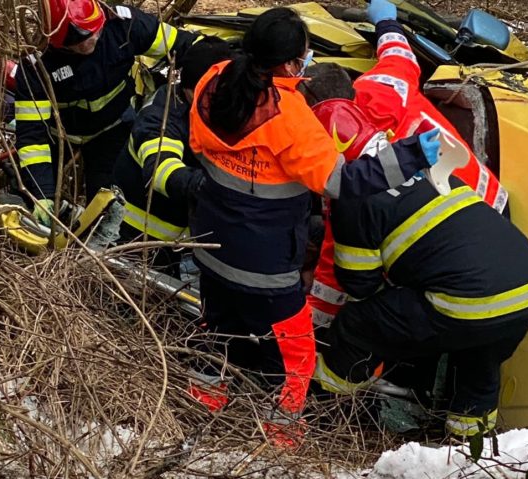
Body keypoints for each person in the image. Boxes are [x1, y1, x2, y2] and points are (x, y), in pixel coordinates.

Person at [188, 7, 441, 445]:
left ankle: (199, 406)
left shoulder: (214, 78)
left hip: (210, 246)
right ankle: (281, 443)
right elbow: (341, 181)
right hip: (264, 266)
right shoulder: (290, 116)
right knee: (295, 357)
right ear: (290, 64)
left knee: (218, 331)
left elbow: (198, 144)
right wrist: (410, 156)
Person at [300, 0, 511, 326]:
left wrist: (315, 320)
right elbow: (400, 56)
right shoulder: (379, 84)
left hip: (456, 226)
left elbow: (338, 251)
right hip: (491, 199)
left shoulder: (354, 156)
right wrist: (387, 22)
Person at [314, 170, 528, 438]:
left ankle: (325, 413)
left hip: (466, 301)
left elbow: (359, 284)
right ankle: (466, 448)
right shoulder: (428, 171)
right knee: (480, 367)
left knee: (356, 326)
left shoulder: (352, 198)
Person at [14, 0, 198, 226]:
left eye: (94, 32)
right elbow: (33, 138)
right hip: (60, 137)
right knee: (34, 199)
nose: (90, 41)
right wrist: (42, 195)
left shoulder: (125, 25)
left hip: (113, 129)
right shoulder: (37, 66)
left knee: (105, 205)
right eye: (79, 42)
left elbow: (188, 46)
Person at [112, 37, 231, 277]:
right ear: (194, 90)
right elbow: (162, 171)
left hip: (180, 239)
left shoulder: (210, 105)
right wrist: (216, 187)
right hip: (138, 239)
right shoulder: (161, 117)